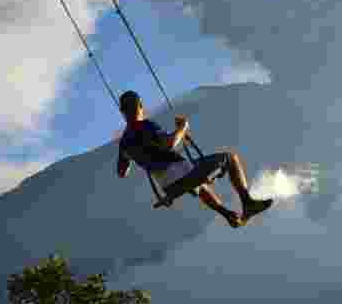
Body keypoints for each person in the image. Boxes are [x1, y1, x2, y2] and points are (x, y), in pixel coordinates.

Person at [115, 90, 272, 228]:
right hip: (181, 173)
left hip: (169, 186)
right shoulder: (146, 125)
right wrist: (182, 128)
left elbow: (122, 172)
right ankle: (248, 203)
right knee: (230, 158)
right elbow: (169, 143)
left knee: (198, 183)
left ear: (122, 111)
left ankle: (227, 215)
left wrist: (129, 154)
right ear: (141, 105)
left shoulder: (124, 142)